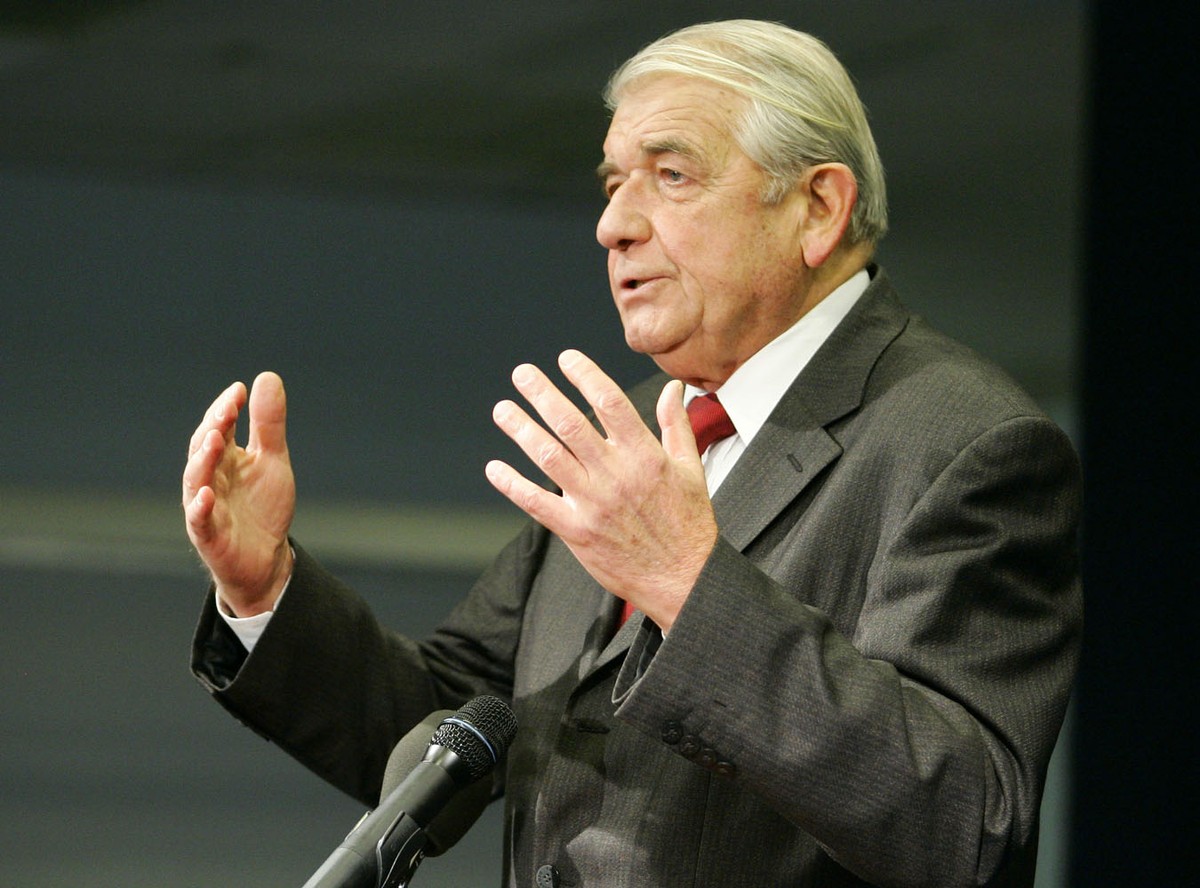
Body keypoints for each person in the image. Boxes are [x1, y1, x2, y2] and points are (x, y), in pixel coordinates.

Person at [183, 20, 1082, 888]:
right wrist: (265, 591)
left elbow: (965, 825)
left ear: (817, 207)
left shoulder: (967, 443)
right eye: (613, 183)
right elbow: (451, 725)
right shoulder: (640, 429)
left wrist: (689, 587)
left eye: (671, 175)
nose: (613, 224)